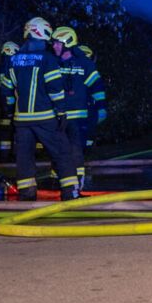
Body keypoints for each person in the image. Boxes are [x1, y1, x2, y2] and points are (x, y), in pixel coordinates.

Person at [3, 17, 79, 200]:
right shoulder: (47, 59)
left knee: (24, 158)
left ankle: (27, 194)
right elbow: (55, 89)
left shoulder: (13, 60)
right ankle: (70, 193)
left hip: (21, 120)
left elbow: (6, 89)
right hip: (45, 117)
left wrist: (10, 111)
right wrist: (61, 112)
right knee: (62, 152)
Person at [52, 26, 105, 190]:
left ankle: (77, 182)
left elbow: (96, 86)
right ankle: (56, 182)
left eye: (57, 43)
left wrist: (101, 107)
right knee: (58, 150)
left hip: (78, 116)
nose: (54, 46)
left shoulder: (85, 64)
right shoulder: (52, 62)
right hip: (57, 115)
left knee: (76, 150)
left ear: (67, 43)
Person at [0, 42, 19, 161]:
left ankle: (4, 154)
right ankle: (13, 154)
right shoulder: (10, 65)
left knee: (5, 130)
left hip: (3, 104)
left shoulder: (1, 66)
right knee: (15, 129)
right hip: (11, 105)